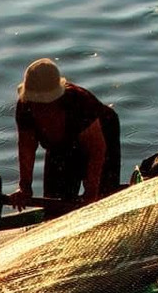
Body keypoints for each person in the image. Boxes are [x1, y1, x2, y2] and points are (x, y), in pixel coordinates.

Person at [9, 58, 121, 209]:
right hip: (60, 146)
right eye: (35, 103)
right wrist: (25, 188)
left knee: (103, 199)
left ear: (56, 100)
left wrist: (91, 189)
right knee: (55, 204)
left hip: (103, 135)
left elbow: (97, 150)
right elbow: (26, 148)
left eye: (44, 105)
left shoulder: (79, 103)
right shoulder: (25, 108)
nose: (38, 109)